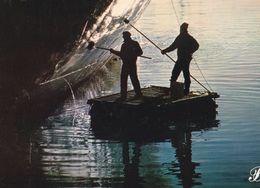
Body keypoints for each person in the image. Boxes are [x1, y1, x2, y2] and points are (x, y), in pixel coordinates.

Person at [161, 22, 199, 95]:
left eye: (180, 28)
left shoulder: (181, 37)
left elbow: (173, 46)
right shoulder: (189, 37)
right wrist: (190, 52)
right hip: (187, 58)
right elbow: (197, 46)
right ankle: (186, 90)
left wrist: (164, 51)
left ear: (182, 29)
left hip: (182, 59)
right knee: (186, 73)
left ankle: (173, 90)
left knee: (175, 73)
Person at [110, 31, 143, 101]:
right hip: (129, 65)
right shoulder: (133, 43)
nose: (123, 38)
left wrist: (114, 51)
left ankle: (124, 96)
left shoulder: (127, 45)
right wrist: (114, 52)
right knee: (132, 80)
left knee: (126, 80)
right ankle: (137, 94)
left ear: (127, 36)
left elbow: (140, 52)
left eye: (124, 36)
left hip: (128, 65)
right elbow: (139, 52)